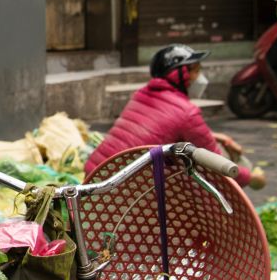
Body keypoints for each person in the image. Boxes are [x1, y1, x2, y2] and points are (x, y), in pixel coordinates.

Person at [84, 45, 266, 190]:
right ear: (180, 75)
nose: (200, 77)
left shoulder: (142, 95)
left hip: (96, 179)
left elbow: (162, 129)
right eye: (195, 71)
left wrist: (218, 136)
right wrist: (251, 178)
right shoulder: (186, 112)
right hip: (121, 192)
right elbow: (219, 166)